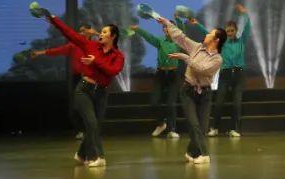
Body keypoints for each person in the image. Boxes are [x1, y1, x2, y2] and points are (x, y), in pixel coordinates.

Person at [44, 15, 125, 167]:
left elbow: (113, 70)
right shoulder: (90, 45)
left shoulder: (118, 56)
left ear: (113, 36)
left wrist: (95, 61)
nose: (101, 34)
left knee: (95, 126)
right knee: (92, 123)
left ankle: (81, 155)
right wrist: (54, 20)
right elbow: (70, 34)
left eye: (105, 32)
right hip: (84, 90)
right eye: (101, 31)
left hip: (101, 93)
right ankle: (98, 157)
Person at [154, 15, 225, 165]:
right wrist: (167, 23)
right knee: (194, 124)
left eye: (210, 34)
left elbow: (203, 70)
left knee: (202, 127)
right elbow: (181, 37)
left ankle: (191, 152)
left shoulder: (217, 59)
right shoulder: (197, 47)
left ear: (216, 40)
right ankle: (204, 154)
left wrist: (186, 58)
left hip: (205, 94)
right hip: (188, 91)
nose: (206, 35)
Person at [31, 23, 98, 139]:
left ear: (89, 31)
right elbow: (57, 51)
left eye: (83, 31)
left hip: (91, 78)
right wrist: (39, 52)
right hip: (77, 78)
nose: (80, 33)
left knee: (91, 105)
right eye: (80, 31)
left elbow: (109, 44)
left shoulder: (95, 45)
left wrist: (97, 33)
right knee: (77, 105)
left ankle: (91, 130)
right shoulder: (73, 45)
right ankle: (80, 130)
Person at [125, 22, 182, 138]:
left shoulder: (179, 41)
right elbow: (149, 37)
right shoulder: (160, 40)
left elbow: (183, 31)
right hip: (160, 74)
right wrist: (138, 29)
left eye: (169, 27)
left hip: (173, 74)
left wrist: (178, 20)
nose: (166, 29)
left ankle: (172, 129)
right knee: (154, 102)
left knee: (171, 104)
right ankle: (161, 124)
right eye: (164, 27)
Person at [207, 5, 252, 138]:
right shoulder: (222, 43)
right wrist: (196, 24)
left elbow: (248, 27)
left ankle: (234, 129)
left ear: (236, 31)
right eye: (228, 31)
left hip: (239, 74)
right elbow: (207, 33)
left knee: (237, 103)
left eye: (232, 30)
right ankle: (214, 128)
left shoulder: (241, 41)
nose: (230, 33)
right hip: (225, 74)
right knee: (219, 102)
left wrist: (245, 14)